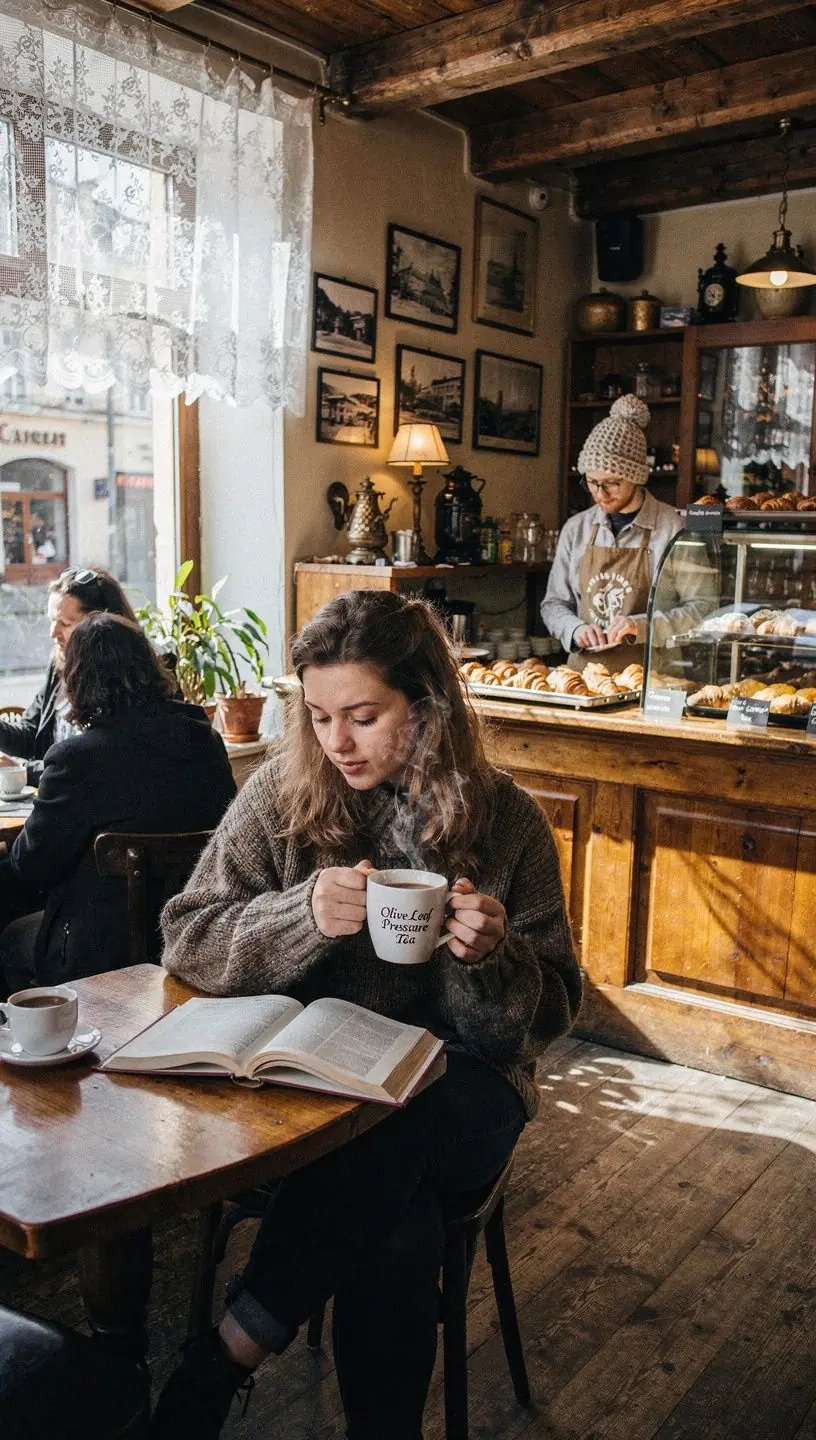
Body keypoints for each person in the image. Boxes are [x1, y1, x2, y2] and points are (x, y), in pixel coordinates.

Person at [153, 589, 581, 1440]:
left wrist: (492, 961)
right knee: (395, 1225)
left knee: (398, 1119)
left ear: (426, 709)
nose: (334, 743)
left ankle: (227, 1353)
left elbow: (548, 1014)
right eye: (315, 716)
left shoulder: (510, 822)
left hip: (466, 1094)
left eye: (362, 716)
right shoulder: (284, 795)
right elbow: (186, 935)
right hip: (310, 1090)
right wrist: (299, 915)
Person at [0, 613, 236, 991]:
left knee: (12, 938)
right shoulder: (205, 742)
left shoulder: (76, 759)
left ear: (78, 680)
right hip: (195, 939)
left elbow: (31, 866)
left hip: (99, 954)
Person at [541, 394, 684, 672]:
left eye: (611, 483)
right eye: (592, 482)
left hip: (652, 681)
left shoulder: (672, 527)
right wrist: (574, 630)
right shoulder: (576, 529)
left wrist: (640, 626)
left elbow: (700, 609)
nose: (600, 493)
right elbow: (554, 603)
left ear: (635, 476)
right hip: (584, 677)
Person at [0, 567, 139, 785]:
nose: (52, 632)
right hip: (58, 798)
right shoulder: (60, 665)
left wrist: (25, 772)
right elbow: (30, 737)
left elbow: (93, 764)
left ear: (101, 625)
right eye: (51, 620)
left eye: (65, 623)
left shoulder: (126, 681)